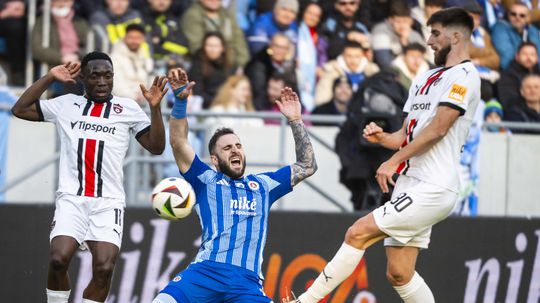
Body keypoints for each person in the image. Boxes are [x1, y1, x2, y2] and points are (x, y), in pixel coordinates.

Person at [285, 7, 480, 303]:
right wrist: (382, 139)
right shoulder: (424, 77)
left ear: (456, 36)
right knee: (399, 272)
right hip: (411, 182)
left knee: (357, 232)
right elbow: (407, 135)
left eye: (435, 33)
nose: (428, 41)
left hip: (434, 184)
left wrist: (393, 161)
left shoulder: (465, 75)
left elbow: (438, 129)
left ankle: (305, 301)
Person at [10, 52, 167, 303]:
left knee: (104, 268)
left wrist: (155, 109)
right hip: (72, 197)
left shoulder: (127, 108)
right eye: (95, 76)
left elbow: (156, 147)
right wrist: (50, 77)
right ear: (82, 78)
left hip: (109, 201)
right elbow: (20, 109)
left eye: (108, 76)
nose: (102, 82)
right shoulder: (66, 104)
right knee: (58, 259)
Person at [152, 68, 317, 303]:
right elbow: (178, 142)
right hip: (205, 272)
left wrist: (295, 120)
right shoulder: (205, 180)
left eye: (238, 146)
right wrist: (180, 102)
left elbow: (307, 165)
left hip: (246, 283)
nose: (235, 150)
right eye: (227, 148)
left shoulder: (264, 185)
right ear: (214, 159)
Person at [181, 0, 250, 69]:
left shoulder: (227, 14)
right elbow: (196, 47)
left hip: (232, 64)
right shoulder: (193, 15)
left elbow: (240, 43)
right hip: (206, 66)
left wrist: (241, 66)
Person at [110, 23, 153, 105]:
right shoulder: (114, 58)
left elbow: (151, 81)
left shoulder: (146, 59)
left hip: (145, 104)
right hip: (122, 105)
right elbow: (116, 87)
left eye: (137, 38)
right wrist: (135, 98)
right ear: (125, 38)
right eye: (131, 37)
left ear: (143, 39)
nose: (134, 41)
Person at [188, 32, 233, 109]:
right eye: (209, 45)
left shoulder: (229, 67)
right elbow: (197, 93)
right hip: (205, 108)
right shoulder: (197, 66)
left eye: (215, 46)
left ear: (222, 48)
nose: (212, 49)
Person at [491, 2, 540, 69]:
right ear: (508, 15)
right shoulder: (500, 28)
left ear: (528, 18)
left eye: (522, 15)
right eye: (513, 14)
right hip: (512, 71)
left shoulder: (532, 30)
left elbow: (538, 53)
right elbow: (507, 57)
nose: (517, 17)